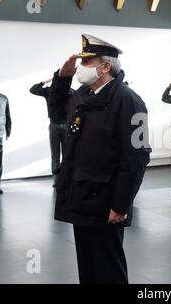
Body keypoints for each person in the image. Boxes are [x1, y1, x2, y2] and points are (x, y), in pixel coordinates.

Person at [48, 33, 151, 284]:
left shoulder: (130, 101)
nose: (82, 67)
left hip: (106, 204)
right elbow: (57, 112)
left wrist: (121, 205)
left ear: (105, 67)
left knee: (108, 269)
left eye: (87, 62)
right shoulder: (84, 95)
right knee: (88, 267)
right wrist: (62, 78)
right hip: (81, 196)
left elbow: (137, 158)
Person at [30, 78, 73, 186]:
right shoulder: (49, 91)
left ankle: (65, 177)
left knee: (66, 153)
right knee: (55, 154)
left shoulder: (70, 91)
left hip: (66, 125)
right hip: (54, 125)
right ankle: (56, 178)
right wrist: (44, 81)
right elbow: (33, 89)